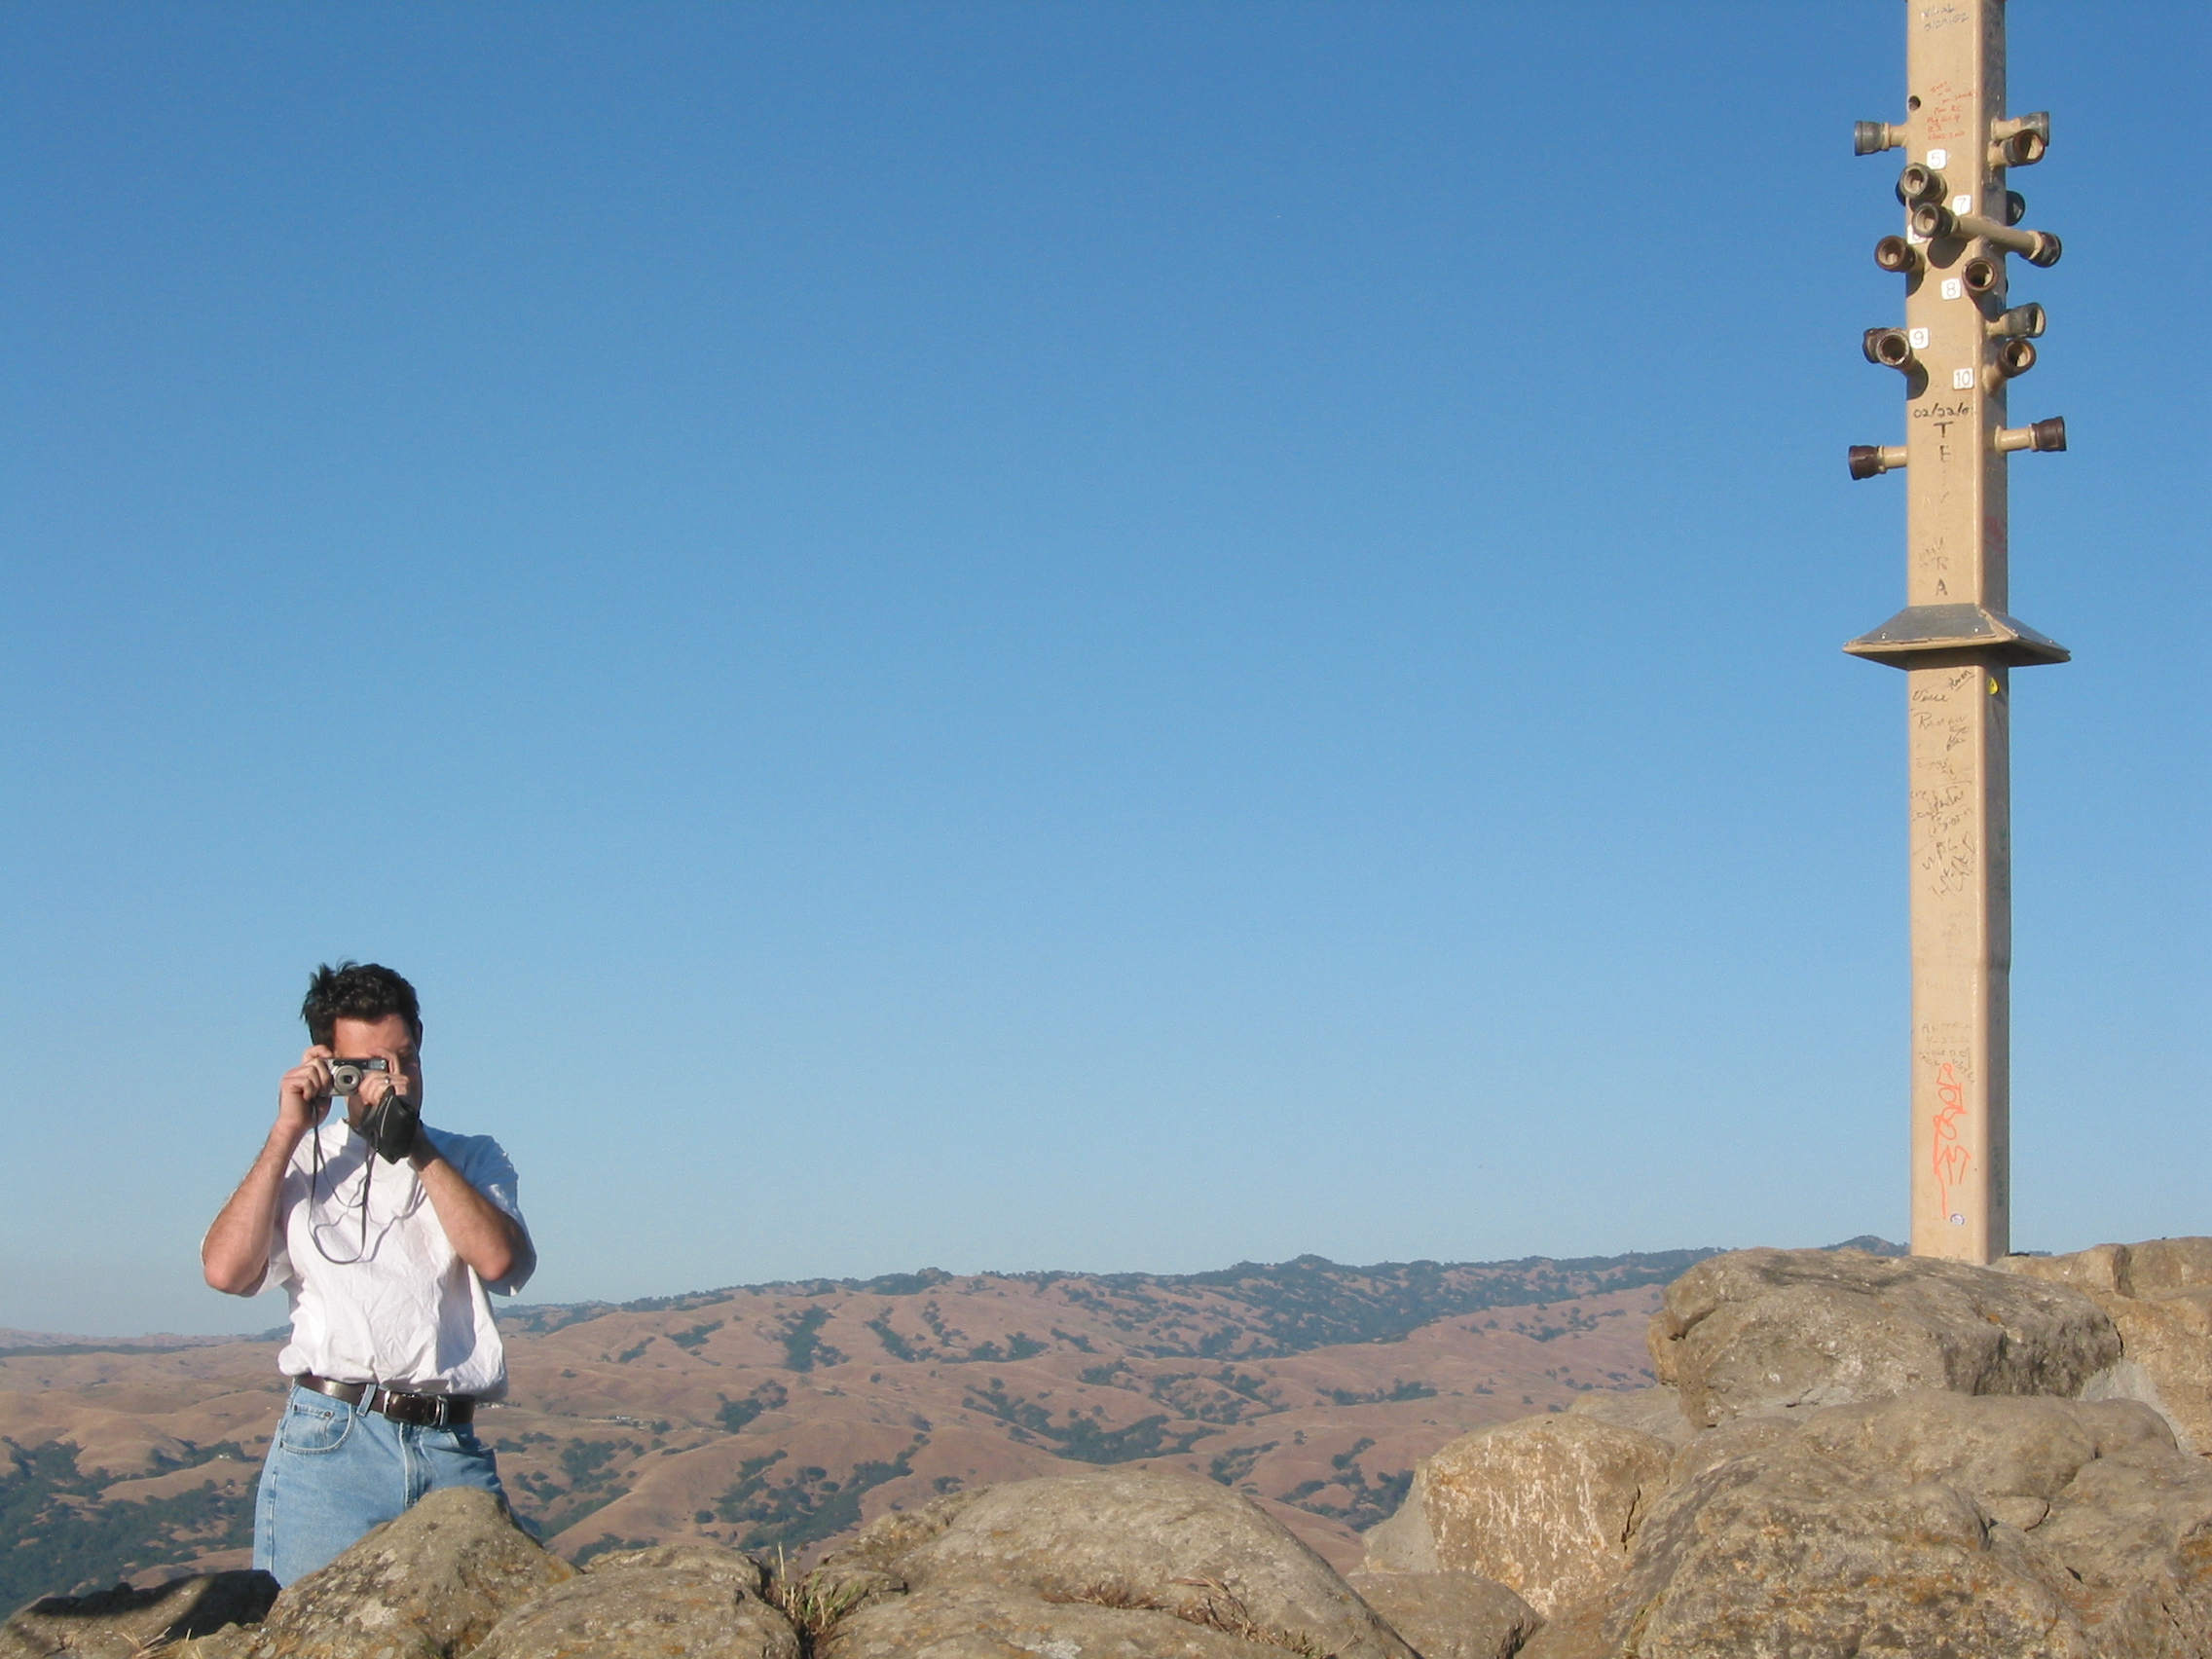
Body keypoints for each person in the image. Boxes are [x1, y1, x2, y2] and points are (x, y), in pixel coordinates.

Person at [202, 961, 537, 1585]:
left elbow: (497, 1260)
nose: (397, 1081)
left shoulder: (472, 1156)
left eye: (406, 1059)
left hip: (449, 1443)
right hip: (331, 1445)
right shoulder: (302, 1160)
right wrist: (286, 1132)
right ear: (331, 1066)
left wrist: (413, 1145)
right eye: (374, 1066)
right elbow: (225, 1271)